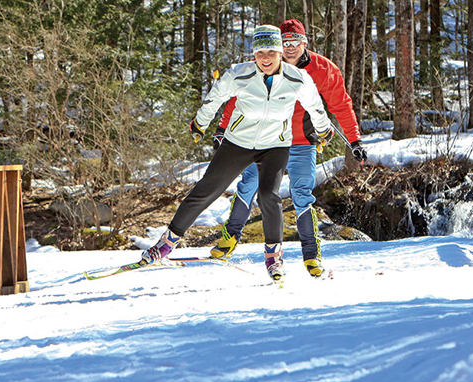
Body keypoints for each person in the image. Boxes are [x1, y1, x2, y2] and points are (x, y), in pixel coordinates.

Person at [141, 24, 334, 281]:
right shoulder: (239, 74)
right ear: (254, 54)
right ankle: (166, 243)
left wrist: (323, 130)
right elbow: (214, 98)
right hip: (238, 143)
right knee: (206, 189)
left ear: (280, 52)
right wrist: (200, 123)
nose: (265, 58)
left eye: (271, 52)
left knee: (268, 195)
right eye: (260, 52)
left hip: (275, 145)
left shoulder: (297, 79)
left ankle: (274, 256)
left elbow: (316, 107)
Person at [209, 19, 367, 278]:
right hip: (266, 141)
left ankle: (312, 255)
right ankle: (230, 237)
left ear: (305, 43)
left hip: (302, 142)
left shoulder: (323, 69)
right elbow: (239, 98)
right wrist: (222, 129)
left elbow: (340, 104)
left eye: (296, 42)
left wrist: (355, 140)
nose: (290, 48)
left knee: (302, 193)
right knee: (248, 186)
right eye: (285, 43)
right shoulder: (264, 66)